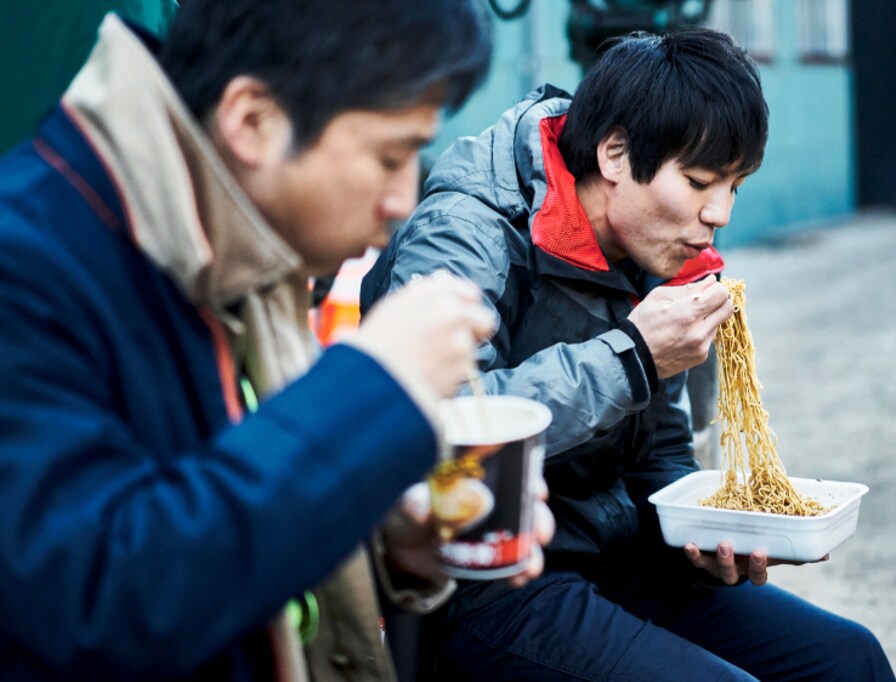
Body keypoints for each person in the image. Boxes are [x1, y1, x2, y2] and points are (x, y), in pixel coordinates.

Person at [0, 1, 556, 679]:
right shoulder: (26, 266)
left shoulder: (240, 240)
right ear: (252, 121)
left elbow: (224, 508)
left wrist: (385, 543)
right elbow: (96, 602)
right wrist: (373, 387)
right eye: (390, 156)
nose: (403, 201)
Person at [362, 29, 896, 681]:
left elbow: (660, 453)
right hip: (489, 581)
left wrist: (703, 533)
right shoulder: (466, 232)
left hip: (622, 555)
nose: (719, 212)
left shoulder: (656, 248)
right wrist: (634, 358)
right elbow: (443, 435)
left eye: (735, 185)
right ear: (615, 152)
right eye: (701, 181)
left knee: (847, 659)